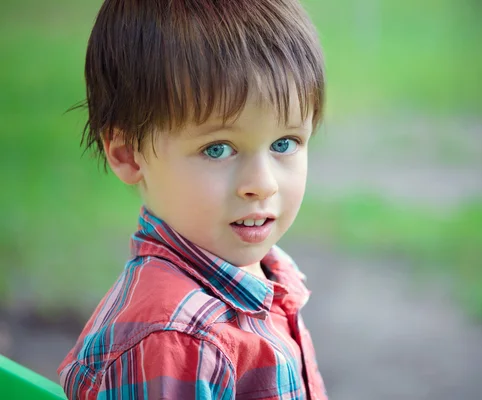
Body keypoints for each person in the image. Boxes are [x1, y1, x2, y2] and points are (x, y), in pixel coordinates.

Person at [57, 0, 327, 398]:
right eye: (218, 149)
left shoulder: (261, 271)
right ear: (127, 153)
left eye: (284, 143)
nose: (262, 184)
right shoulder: (176, 341)